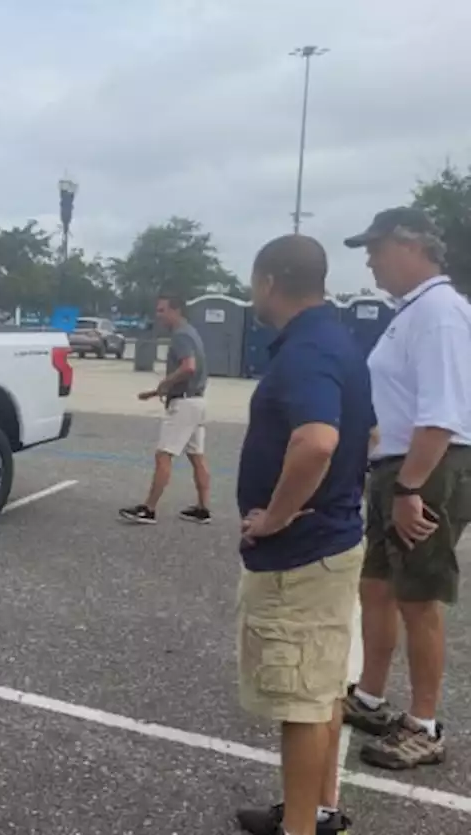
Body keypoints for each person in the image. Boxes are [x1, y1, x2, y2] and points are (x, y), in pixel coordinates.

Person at [233, 234, 371, 835]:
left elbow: (318, 440)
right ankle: (310, 811)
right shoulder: (336, 339)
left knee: (302, 701)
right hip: (331, 544)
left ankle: (299, 829)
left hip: (303, 556)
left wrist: (275, 516)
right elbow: (366, 434)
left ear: (268, 281)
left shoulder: (305, 351)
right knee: (323, 687)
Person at [339, 207, 471, 770]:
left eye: (376, 248)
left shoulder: (439, 313)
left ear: (411, 246)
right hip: (399, 468)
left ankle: (423, 724)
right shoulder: (412, 311)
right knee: (377, 585)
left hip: (426, 468)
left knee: (418, 596)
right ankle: (369, 696)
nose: (369, 260)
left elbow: (441, 415)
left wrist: (410, 487)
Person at [118, 294, 211, 524]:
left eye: (162, 310)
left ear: (176, 310)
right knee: (197, 457)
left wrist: (165, 383)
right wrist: (156, 392)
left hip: (184, 404)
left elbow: (188, 367)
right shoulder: (192, 332)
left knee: (163, 455)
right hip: (198, 401)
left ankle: (149, 509)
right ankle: (203, 508)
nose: (158, 315)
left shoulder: (180, 335)